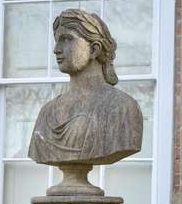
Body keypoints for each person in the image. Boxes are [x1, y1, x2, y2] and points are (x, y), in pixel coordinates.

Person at [28, 9, 142, 165]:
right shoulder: (47, 112)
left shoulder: (122, 107)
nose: (56, 49)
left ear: (94, 49)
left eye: (67, 39)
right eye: (57, 41)